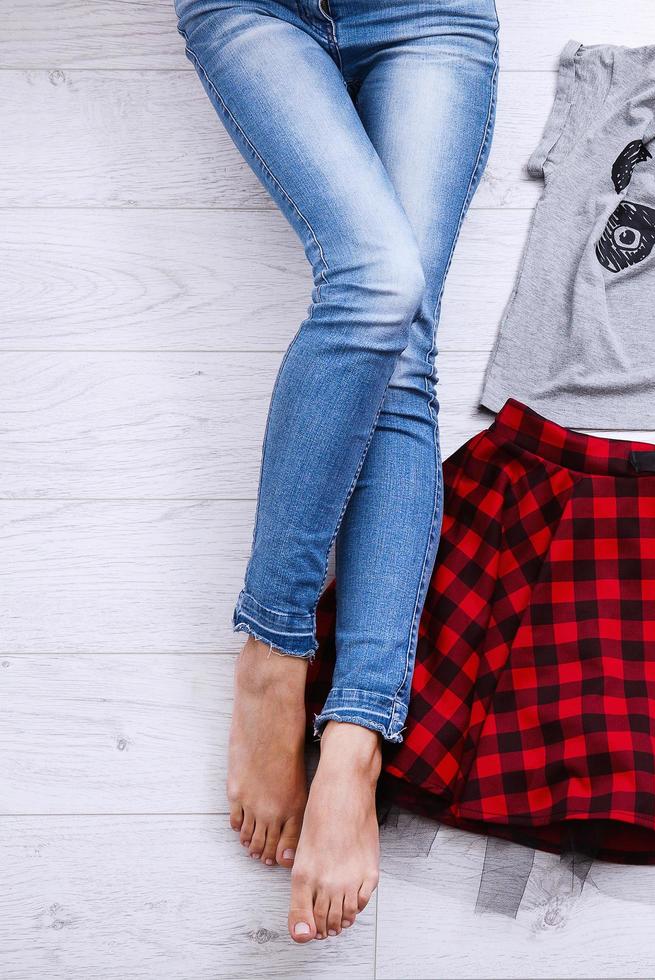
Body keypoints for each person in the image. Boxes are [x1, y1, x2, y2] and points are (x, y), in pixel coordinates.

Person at [173, 0, 499, 943]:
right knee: (379, 280)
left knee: (404, 356)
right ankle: (275, 655)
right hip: (255, 8)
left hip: (430, 14)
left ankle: (354, 734)